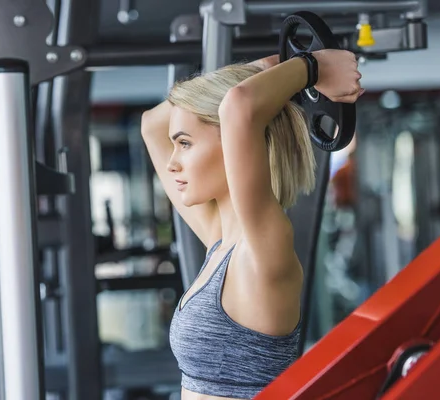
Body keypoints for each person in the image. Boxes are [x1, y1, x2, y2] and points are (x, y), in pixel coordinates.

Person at [140, 50, 363, 399]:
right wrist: (260, 68)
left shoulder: (263, 249)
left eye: (184, 143)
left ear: (232, 142)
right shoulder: (220, 241)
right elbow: (151, 124)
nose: (172, 164)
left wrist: (312, 67)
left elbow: (239, 107)